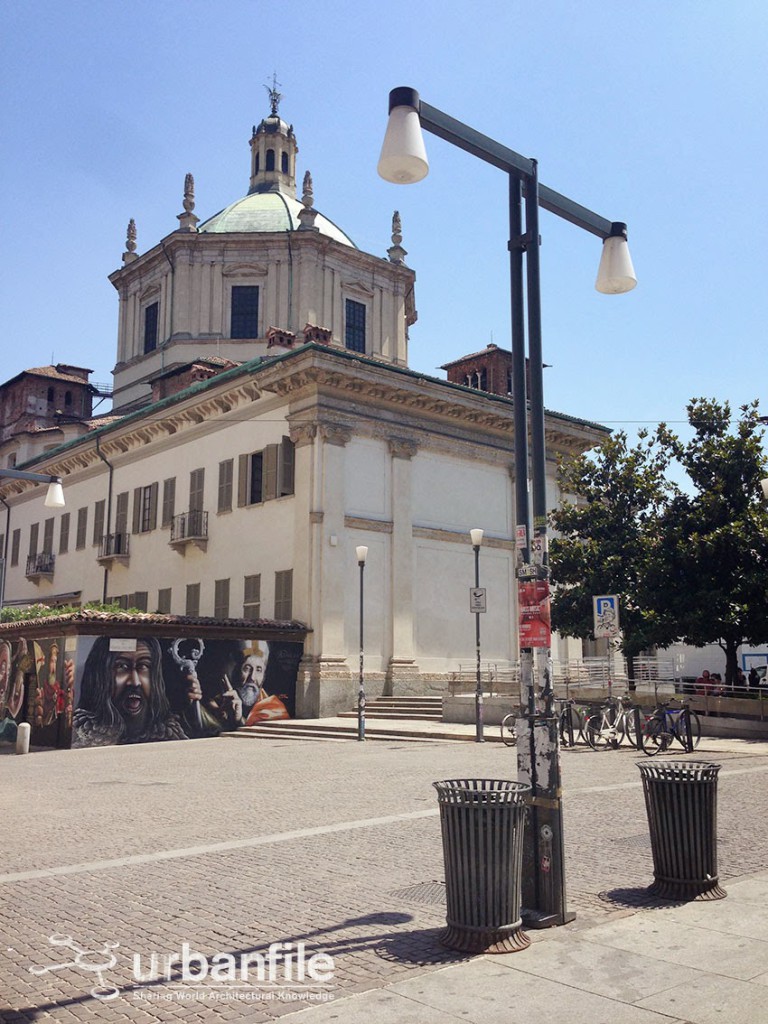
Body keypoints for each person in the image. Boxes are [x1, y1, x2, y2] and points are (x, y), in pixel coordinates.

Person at [73, 637, 189, 746]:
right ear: (100, 675)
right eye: (122, 666)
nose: (135, 682)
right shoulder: (80, 733)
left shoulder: (169, 734)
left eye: (143, 666)